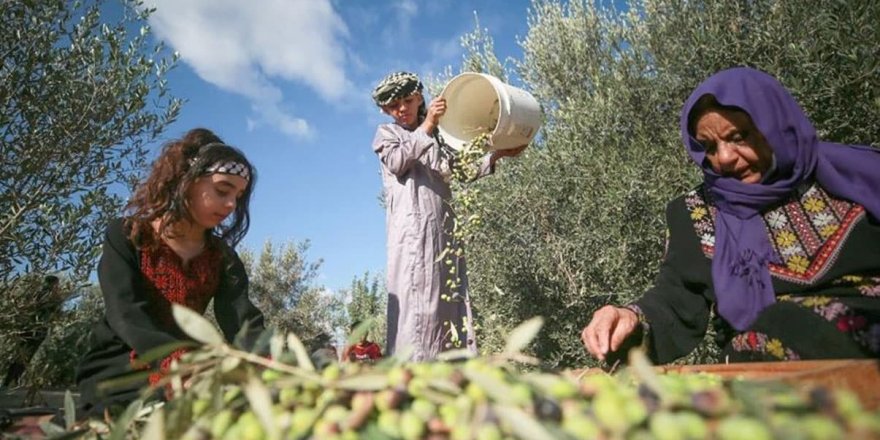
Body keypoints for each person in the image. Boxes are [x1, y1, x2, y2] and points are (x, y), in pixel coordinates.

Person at [582, 67, 880, 364]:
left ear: (775, 125)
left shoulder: (861, 175)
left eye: (738, 136)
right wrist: (629, 318)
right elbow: (677, 300)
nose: (724, 158)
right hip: (764, 376)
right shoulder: (696, 213)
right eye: (709, 146)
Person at [75, 128, 265, 417]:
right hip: (119, 369)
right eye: (223, 190)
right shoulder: (127, 236)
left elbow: (244, 325)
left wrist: (274, 365)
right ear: (186, 181)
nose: (231, 205)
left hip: (189, 373)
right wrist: (175, 360)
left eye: (238, 196)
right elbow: (126, 312)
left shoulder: (224, 259)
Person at [370, 71, 525, 361]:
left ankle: (453, 373)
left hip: (444, 235)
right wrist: (427, 125)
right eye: (393, 106)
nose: (401, 109)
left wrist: (496, 155)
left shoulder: (439, 138)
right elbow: (397, 161)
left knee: (449, 302)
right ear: (384, 110)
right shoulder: (387, 134)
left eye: (407, 100)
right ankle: (414, 376)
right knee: (417, 304)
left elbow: (458, 171)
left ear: (419, 97)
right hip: (412, 237)